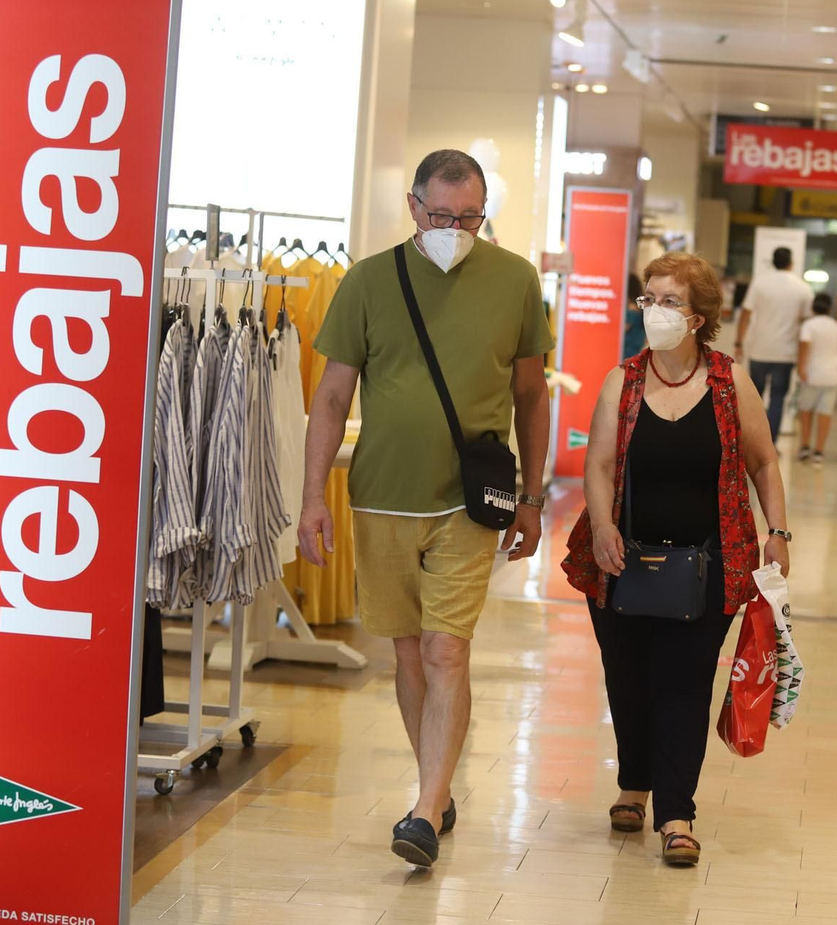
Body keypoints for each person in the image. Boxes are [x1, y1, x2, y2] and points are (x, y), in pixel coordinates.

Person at [299, 149, 554, 869]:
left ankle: (422, 809)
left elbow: (533, 396)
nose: (455, 228)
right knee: (407, 651)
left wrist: (532, 496)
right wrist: (313, 495)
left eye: (469, 217)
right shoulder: (368, 281)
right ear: (414, 207)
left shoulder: (514, 280)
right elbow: (330, 395)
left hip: (468, 502)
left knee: (447, 648)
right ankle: (434, 792)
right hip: (381, 495)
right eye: (442, 215)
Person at [561, 252, 790, 869]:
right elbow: (599, 464)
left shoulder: (728, 381)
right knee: (629, 680)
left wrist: (779, 532)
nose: (654, 312)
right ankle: (632, 784)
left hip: (708, 565)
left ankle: (676, 813)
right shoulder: (624, 380)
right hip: (620, 562)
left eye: (669, 302)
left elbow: (763, 461)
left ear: (699, 317)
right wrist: (604, 525)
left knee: (684, 685)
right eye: (648, 299)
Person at [735, 246, 812, 443]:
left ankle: (749, 442)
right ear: (791, 263)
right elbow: (806, 323)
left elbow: (746, 314)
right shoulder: (802, 288)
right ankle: (770, 443)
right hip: (785, 353)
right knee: (778, 399)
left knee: (754, 399)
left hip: (760, 349)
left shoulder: (760, 284)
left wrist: (739, 342)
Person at [795, 292, 837, 466]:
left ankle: (805, 446)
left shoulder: (809, 325)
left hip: (812, 375)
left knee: (806, 411)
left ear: (813, 307)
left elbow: (804, 346)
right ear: (830, 308)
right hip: (832, 376)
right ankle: (819, 451)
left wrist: (801, 367)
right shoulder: (835, 326)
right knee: (825, 413)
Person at [622, 272, 646, 361]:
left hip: (626, 354)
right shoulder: (640, 309)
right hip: (635, 354)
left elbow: (620, 330)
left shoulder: (631, 311)